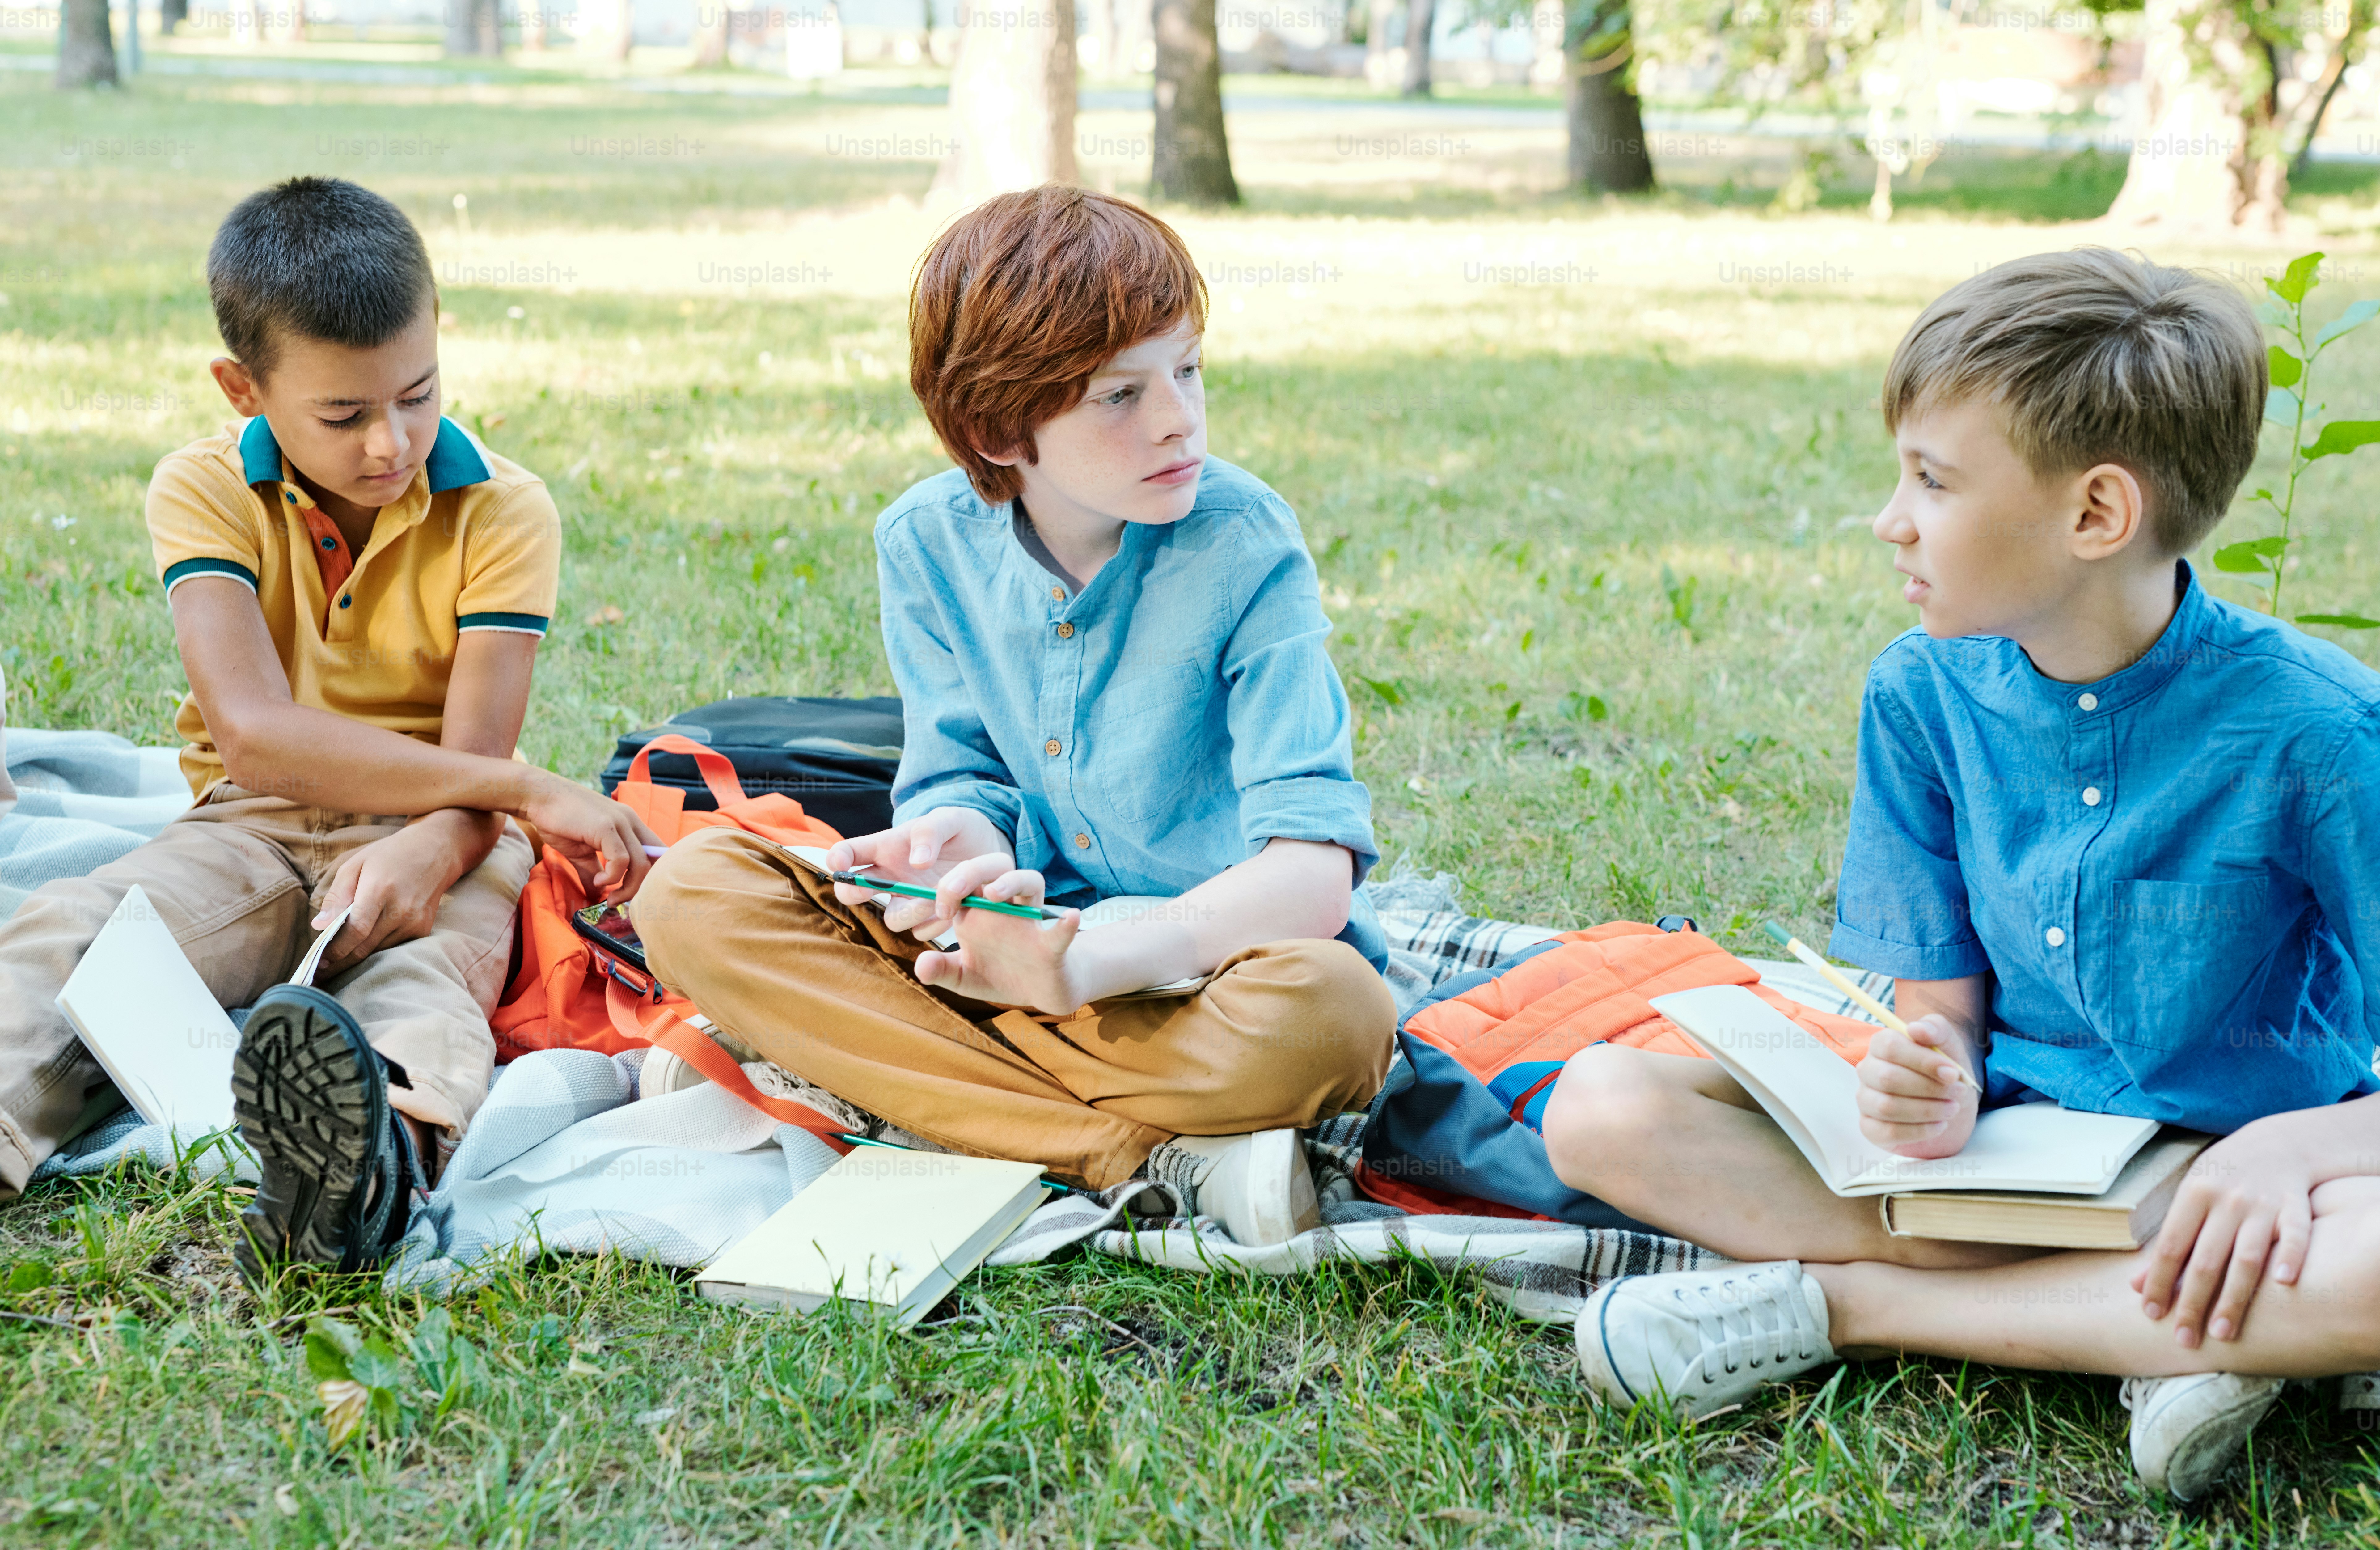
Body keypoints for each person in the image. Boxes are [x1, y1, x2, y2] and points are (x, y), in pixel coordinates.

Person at [1542, 248, 2380, 1500]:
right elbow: (1940, 1004)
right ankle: (2168, 1337)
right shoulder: (1920, 691)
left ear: (2097, 515)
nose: (1889, 518)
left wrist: (2284, 1157)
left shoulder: (2330, 732)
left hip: (2218, 1188)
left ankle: (1848, 1308)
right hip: (1995, 1168)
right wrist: (1933, 1069)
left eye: (1933, 480)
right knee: (1601, 1106)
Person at [632, 186, 1395, 1244]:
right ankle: (1143, 1158)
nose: (1179, 417)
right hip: (1003, 949)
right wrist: (960, 839)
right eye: (1119, 396)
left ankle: (860, 1068)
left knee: (1337, 1017)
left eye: (1188, 368)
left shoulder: (1245, 544)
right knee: (691, 892)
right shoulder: (925, 542)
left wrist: (1078, 970)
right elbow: (960, 777)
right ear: (998, 430)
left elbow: (1311, 876)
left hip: (1197, 967)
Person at [0, 177, 655, 1278]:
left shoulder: (504, 508)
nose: (391, 444)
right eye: (343, 416)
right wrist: (536, 796)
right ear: (242, 388)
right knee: (85, 936)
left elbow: (474, 770)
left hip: (448, 828)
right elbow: (253, 736)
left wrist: (437, 842)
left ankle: (367, 1175)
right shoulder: (205, 489)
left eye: (418, 393)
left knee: (423, 983)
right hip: (255, 820)